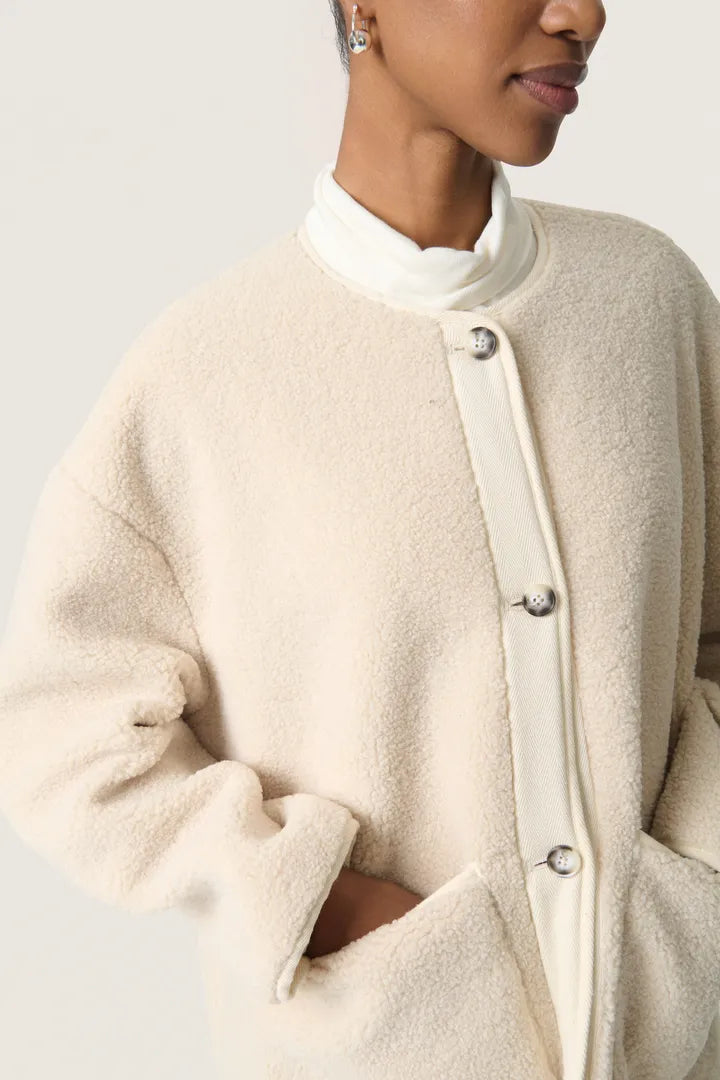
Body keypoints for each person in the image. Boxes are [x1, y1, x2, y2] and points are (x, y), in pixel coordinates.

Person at [0, 1, 719, 1078]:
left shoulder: (648, 302)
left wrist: (693, 871)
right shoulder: (205, 374)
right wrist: (308, 898)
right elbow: (59, 730)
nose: (583, 15)